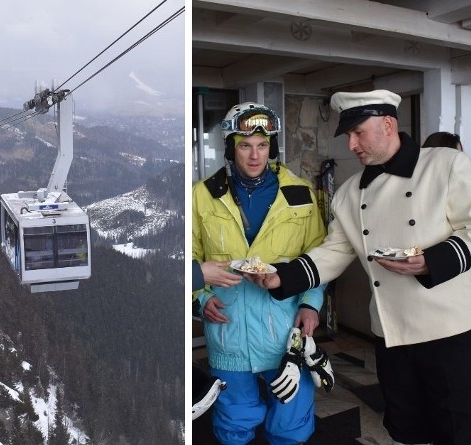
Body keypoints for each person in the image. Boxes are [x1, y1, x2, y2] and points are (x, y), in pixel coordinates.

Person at [249, 89, 471, 444]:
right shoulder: (350, 193)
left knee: (458, 428)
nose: (351, 145)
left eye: (358, 133)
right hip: (391, 334)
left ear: (388, 124)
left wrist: (431, 261)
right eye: (348, 136)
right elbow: (335, 251)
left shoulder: (446, 164)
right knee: (406, 429)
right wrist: (281, 277)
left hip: (451, 333)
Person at [192, 102, 328, 444]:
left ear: (272, 147)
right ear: (229, 147)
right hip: (228, 330)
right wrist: (200, 298)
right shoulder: (202, 196)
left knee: (290, 423)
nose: (255, 156)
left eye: (263, 145)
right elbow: (190, 256)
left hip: (285, 333)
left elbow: (320, 258)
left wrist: (311, 304)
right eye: (245, 145)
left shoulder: (301, 196)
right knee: (233, 422)